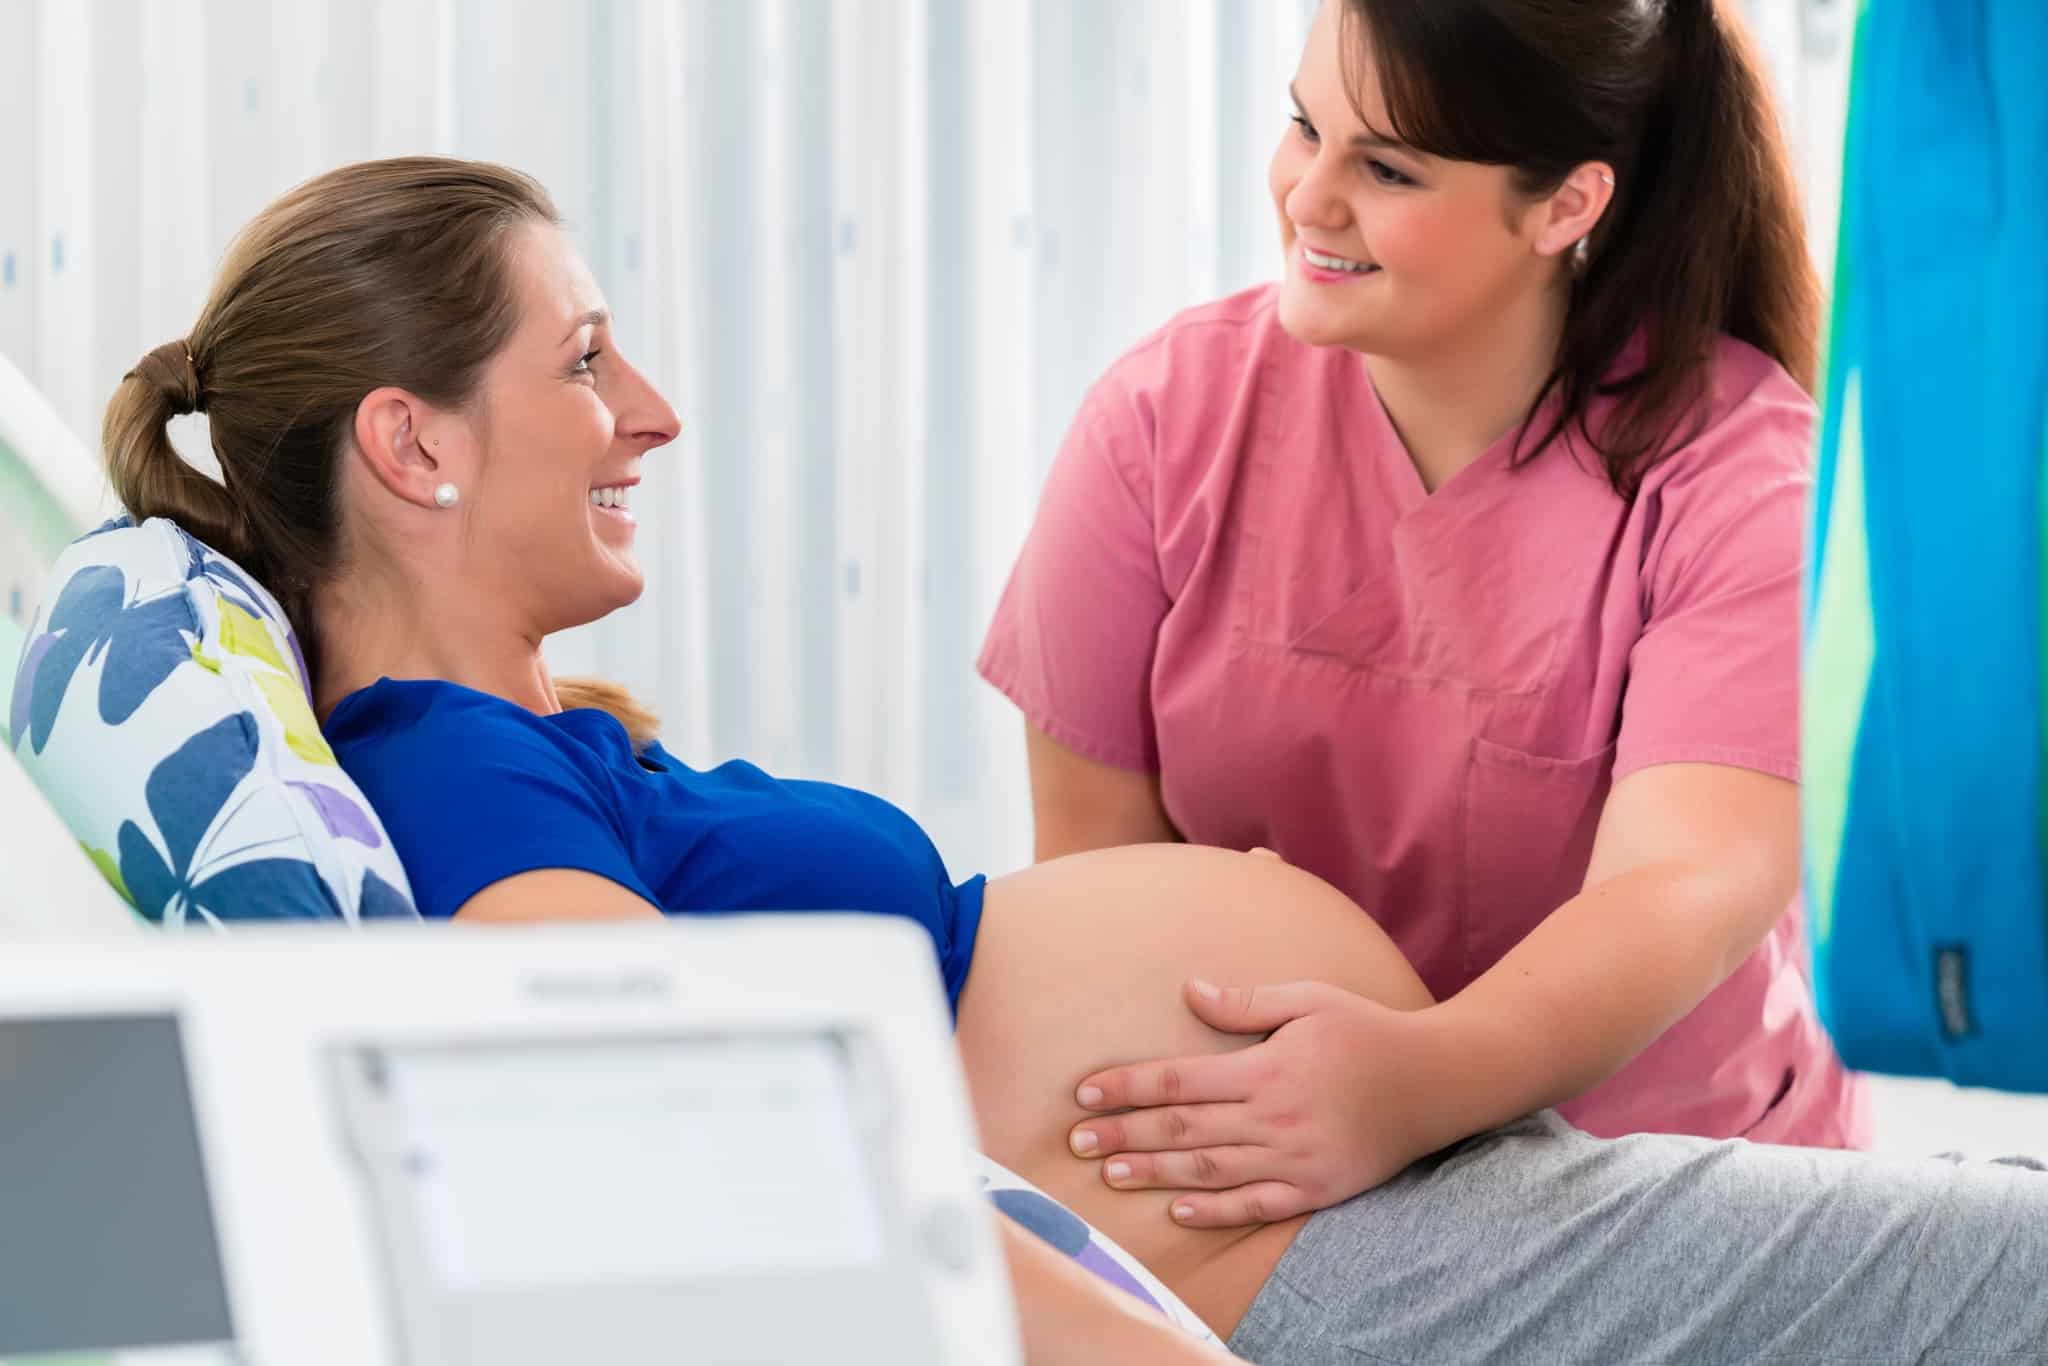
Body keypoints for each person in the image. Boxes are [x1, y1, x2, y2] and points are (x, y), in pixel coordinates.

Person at [102, 156, 2048, 1364]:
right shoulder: (451, 771)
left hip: (1349, 1203)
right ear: (415, 447)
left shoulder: (513, 748)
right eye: (585, 358)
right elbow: (694, 1132)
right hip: (1283, 1254)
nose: (654, 411)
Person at [979, 0, 1869, 1228]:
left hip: (1667, 1175)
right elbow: (1096, 883)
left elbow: (1684, 884)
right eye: (1304, 127)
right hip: (1291, 1170)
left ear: (1566, 205)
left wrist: (1413, 1086)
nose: (1306, 197)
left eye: (1387, 166)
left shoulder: (1736, 478)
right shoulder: (1160, 421)